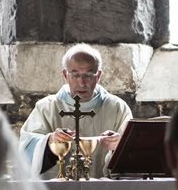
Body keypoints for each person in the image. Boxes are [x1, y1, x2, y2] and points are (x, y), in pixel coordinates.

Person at [20, 43, 132, 178]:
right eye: (75, 75)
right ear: (65, 75)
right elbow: (24, 153)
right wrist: (49, 141)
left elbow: (132, 157)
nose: (82, 82)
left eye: (88, 75)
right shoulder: (46, 107)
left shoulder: (117, 108)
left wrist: (119, 147)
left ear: (99, 76)